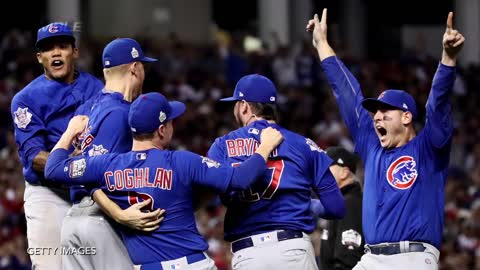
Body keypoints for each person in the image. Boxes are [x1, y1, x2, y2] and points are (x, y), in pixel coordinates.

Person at [44, 92, 284, 270]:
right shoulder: (182, 161)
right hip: (193, 265)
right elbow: (241, 179)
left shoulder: (105, 165)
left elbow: (53, 169)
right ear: (161, 130)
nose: (172, 125)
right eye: (170, 121)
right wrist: (263, 148)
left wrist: (69, 133)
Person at [307, 9, 464, 270]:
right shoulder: (372, 146)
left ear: (406, 117)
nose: (377, 117)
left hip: (412, 256)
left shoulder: (428, 148)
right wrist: (322, 45)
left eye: (384, 111)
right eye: (375, 112)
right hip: (370, 258)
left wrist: (447, 59)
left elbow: (438, 103)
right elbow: (347, 93)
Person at [207, 74, 346, 270]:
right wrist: (305, 203)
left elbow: (215, 194)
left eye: (236, 104)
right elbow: (336, 207)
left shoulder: (222, 146)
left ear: (244, 106)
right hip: (294, 249)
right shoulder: (304, 144)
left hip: (249, 254)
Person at [10, 22, 104, 269]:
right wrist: (71, 164)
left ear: (75, 51)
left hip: (91, 191)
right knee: (50, 265)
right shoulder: (26, 98)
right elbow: (34, 156)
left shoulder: (98, 89)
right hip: (49, 194)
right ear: (40, 57)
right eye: (48, 49)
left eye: (62, 46)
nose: (56, 53)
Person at [61, 37, 161, 270]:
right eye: (143, 67)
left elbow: (75, 163)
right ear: (135, 68)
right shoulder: (121, 113)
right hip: (102, 219)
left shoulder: (87, 108)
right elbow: (93, 174)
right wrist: (118, 214)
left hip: (73, 220)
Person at [317, 147, 364, 270]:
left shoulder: (349, 204)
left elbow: (348, 260)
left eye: (327, 167)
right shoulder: (340, 202)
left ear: (344, 172)